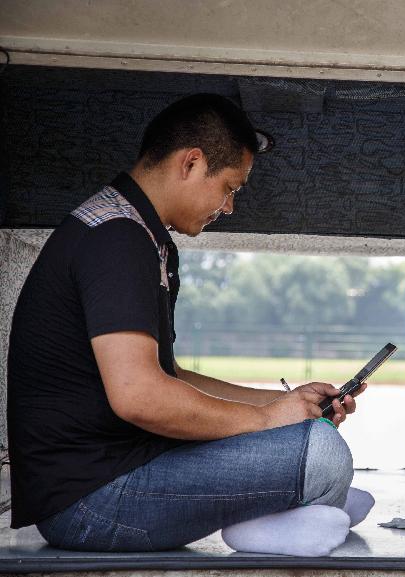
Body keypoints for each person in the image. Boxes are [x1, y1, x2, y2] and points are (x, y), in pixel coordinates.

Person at [6, 94, 372, 555]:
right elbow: (140, 397)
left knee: (310, 440)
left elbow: (167, 376)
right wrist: (266, 420)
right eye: (230, 187)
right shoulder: (114, 238)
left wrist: (282, 403)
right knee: (323, 454)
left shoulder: (142, 235)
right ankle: (284, 513)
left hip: (123, 470)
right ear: (192, 163)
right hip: (91, 503)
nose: (230, 206)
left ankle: (308, 503)